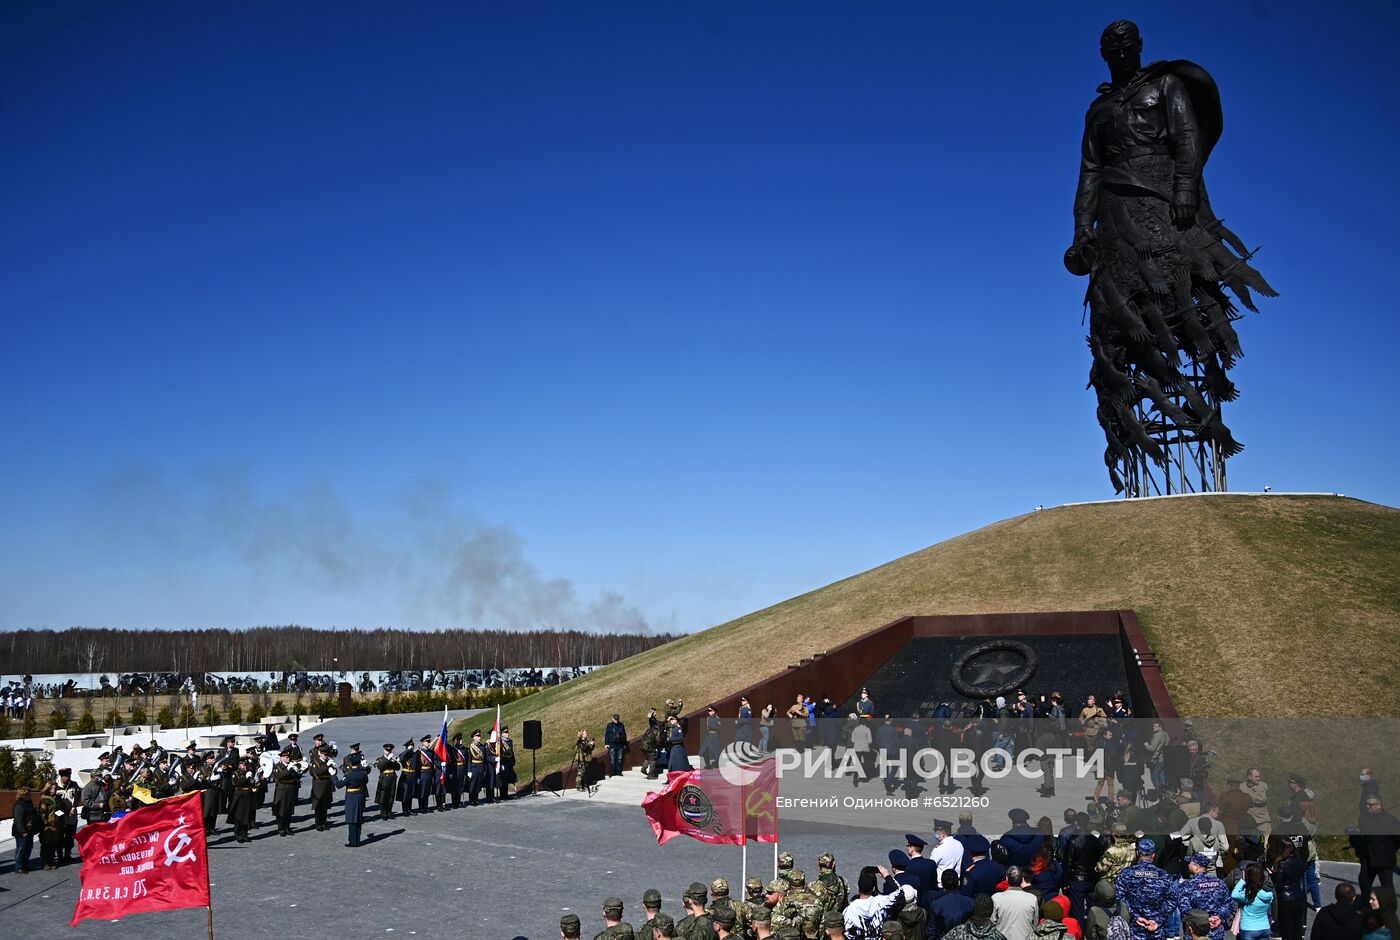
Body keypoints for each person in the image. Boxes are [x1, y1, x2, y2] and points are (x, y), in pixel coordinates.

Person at [1116, 839, 1175, 940]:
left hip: (1134, 928)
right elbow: (1172, 900)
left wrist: (1136, 916)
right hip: (1156, 928)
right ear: (1153, 855)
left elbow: (1120, 898)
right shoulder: (1164, 875)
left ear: (1138, 853)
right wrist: (1159, 920)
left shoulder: (1126, 874)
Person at [1176, 852, 1231, 940]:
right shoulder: (1219, 883)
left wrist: (1204, 920)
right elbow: (1227, 904)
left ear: (1196, 866)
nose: (1188, 866)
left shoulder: (1188, 884)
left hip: (1196, 931)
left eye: (1190, 863)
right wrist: (1218, 917)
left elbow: (1184, 908)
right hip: (1215, 930)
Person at [1352, 795, 1400, 896]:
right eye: (1367, 804)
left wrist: (1388, 850)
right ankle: (1366, 903)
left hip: (1384, 860)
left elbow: (1398, 840)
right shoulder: (1363, 818)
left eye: (1370, 805)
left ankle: (1388, 908)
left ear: (1379, 805)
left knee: (1387, 887)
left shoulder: (1390, 821)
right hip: (1368, 858)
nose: (1367, 806)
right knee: (1364, 882)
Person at [844, 870, 910, 939]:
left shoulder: (849, 910)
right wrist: (887, 876)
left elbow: (846, 932)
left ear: (858, 887)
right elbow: (900, 893)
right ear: (873, 889)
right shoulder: (882, 902)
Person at [992, 866, 1040, 940]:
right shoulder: (1032, 899)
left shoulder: (996, 898)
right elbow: (1035, 924)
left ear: (1007, 879)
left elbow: (992, 923)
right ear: (1022, 880)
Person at [1230, 862, 1275, 940]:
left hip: (1248, 928)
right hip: (1264, 927)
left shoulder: (1246, 894)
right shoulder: (1268, 894)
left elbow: (1234, 894)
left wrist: (1242, 880)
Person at [933, 870, 976, 940]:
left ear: (942, 884)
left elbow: (932, 930)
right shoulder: (970, 902)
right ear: (958, 883)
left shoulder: (937, 904)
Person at [342, 753, 369, 848]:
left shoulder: (349, 775)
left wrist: (333, 776)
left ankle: (352, 842)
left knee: (352, 819)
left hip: (351, 797)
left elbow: (339, 785)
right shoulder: (363, 773)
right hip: (360, 795)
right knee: (358, 818)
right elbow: (366, 781)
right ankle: (357, 840)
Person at [309, 743, 336, 830]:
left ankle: (323, 822)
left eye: (326, 754)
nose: (325, 755)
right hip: (319, 786)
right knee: (318, 806)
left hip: (327, 785)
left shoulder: (327, 761)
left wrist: (333, 768)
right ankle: (318, 824)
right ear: (319, 753)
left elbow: (333, 772)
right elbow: (316, 772)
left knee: (325, 805)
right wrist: (327, 765)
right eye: (324, 754)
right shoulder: (315, 762)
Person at [375, 743, 400, 820]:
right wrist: (387, 759)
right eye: (387, 750)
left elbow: (398, 768)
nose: (388, 751)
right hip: (384, 779)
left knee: (391, 795)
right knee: (383, 795)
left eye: (389, 750)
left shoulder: (392, 758)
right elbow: (380, 766)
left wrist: (394, 761)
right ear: (384, 750)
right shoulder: (380, 759)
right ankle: (383, 813)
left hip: (392, 778)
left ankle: (389, 812)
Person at [467, 729, 489, 804]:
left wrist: (485, 769)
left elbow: (485, 759)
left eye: (480, 736)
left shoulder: (482, 747)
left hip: (481, 767)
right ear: (473, 737)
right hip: (474, 767)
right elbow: (469, 760)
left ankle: (476, 799)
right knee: (473, 784)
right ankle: (471, 800)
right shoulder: (470, 747)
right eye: (477, 736)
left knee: (478, 784)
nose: (479, 737)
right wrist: (469, 770)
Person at [496, 725, 517, 800]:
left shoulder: (510, 741)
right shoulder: (500, 742)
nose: (507, 733)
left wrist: (513, 760)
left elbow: (512, 752)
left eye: (507, 732)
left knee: (507, 779)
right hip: (503, 762)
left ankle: (506, 794)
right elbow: (499, 753)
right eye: (505, 732)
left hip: (509, 763)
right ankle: (502, 795)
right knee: (503, 779)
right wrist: (500, 763)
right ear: (502, 733)